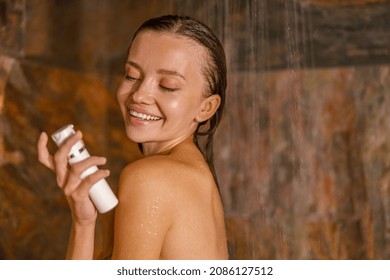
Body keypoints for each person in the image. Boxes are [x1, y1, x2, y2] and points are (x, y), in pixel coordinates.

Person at [37, 15, 228, 259]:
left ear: (207, 108)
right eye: (132, 76)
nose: (139, 95)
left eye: (167, 85)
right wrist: (83, 221)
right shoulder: (193, 176)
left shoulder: (151, 179)